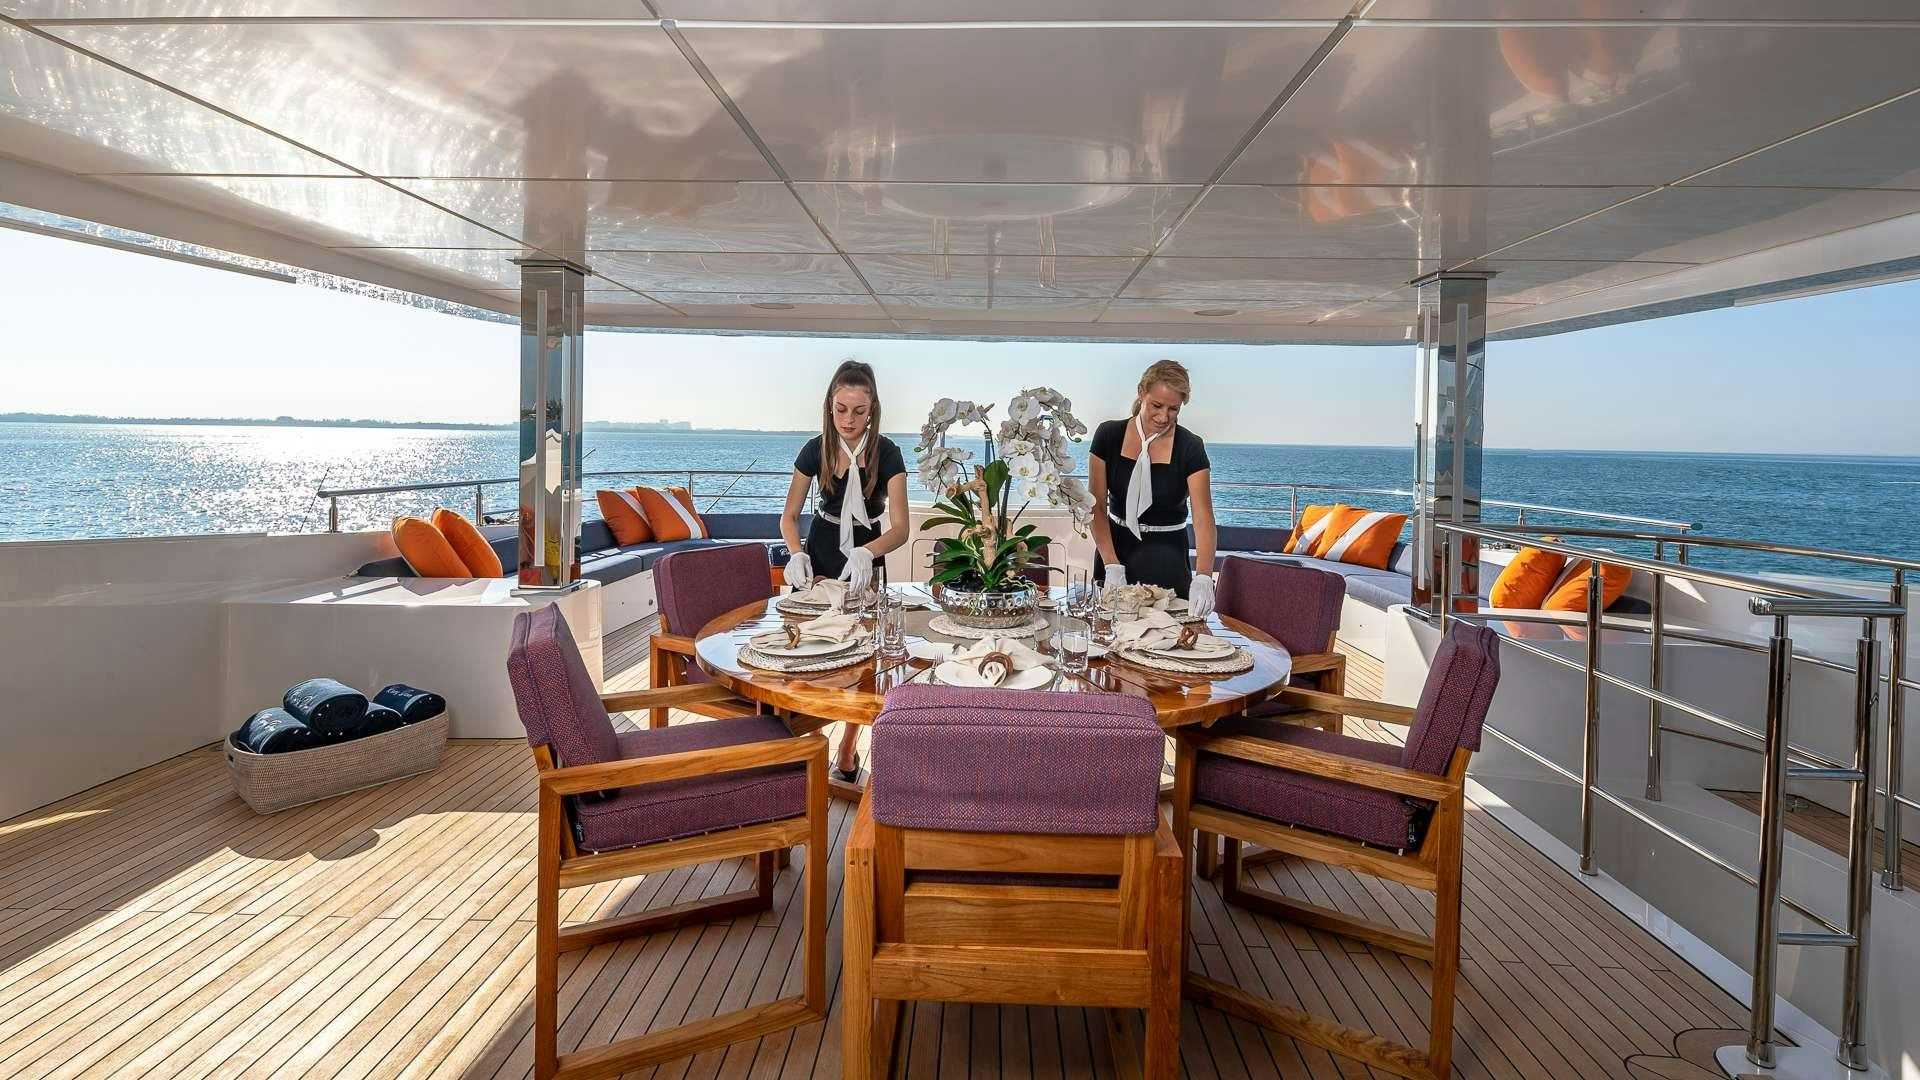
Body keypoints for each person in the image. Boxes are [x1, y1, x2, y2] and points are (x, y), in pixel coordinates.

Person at [780, 359, 909, 782]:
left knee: (863, 657)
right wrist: (796, 553)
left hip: (867, 554)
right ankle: (805, 742)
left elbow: (902, 528)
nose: (849, 419)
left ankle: (849, 748)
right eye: (841, 409)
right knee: (813, 649)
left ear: (872, 409)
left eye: (859, 410)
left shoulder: (887, 452)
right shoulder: (813, 450)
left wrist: (867, 553)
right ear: (829, 406)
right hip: (820, 549)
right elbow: (789, 516)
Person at [1087, 359, 1218, 616]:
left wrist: (1203, 576)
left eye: (1173, 409)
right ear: (1141, 392)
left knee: (1168, 644)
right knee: (1110, 638)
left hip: (1167, 557)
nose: (1163, 417)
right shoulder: (1108, 436)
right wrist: (1112, 565)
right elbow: (1096, 506)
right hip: (1114, 552)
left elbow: (1203, 518)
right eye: (1156, 405)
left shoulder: (1190, 446)